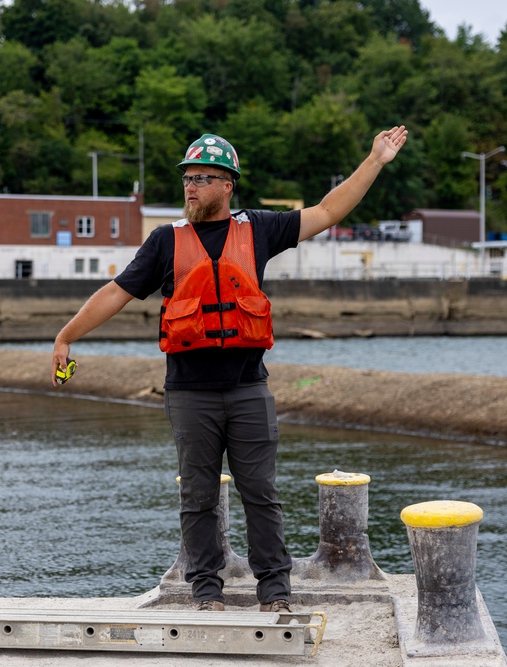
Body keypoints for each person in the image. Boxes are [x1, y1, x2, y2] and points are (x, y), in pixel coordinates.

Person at [51, 127, 408, 612]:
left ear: (227, 186)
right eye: (187, 178)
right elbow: (116, 292)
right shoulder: (164, 242)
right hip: (189, 394)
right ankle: (206, 592)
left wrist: (375, 161)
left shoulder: (257, 228)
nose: (191, 186)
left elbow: (327, 212)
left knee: (260, 493)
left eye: (203, 178)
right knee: (197, 497)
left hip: (247, 390)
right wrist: (66, 336)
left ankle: (276, 593)